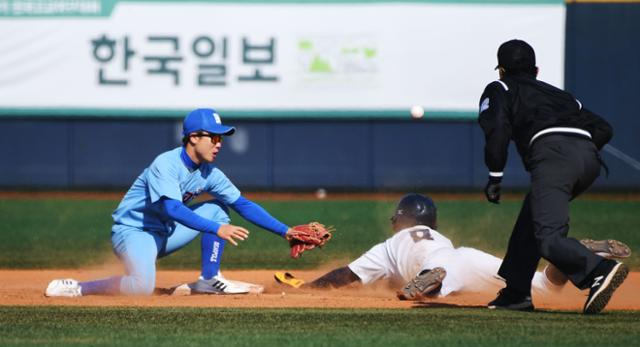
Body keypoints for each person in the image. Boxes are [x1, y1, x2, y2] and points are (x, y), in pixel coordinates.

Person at [46, 108, 301, 297]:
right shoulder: (165, 164)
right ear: (193, 138)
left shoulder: (210, 173)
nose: (219, 143)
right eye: (213, 137)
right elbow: (172, 208)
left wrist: (286, 232)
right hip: (134, 232)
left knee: (217, 209)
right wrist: (216, 229)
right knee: (141, 288)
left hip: (166, 233)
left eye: (221, 138)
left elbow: (242, 204)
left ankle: (209, 279)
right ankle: (79, 288)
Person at [477, 39, 628, 313]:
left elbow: (497, 130)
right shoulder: (561, 95)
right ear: (536, 71)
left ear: (501, 71)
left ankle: (598, 270)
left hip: (553, 157)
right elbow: (604, 128)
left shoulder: (500, 87)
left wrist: (495, 175)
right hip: (588, 160)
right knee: (530, 220)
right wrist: (581, 151)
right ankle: (516, 293)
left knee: (548, 238)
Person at [274, 194, 630, 301]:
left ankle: (434, 281)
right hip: (467, 256)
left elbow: (345, 275)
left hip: (442, 267)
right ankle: (578, 257)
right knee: (541, 288)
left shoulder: (391, 243)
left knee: (434, 287)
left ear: (401, 220)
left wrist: (309, 287)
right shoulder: (436, 236)